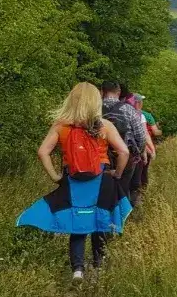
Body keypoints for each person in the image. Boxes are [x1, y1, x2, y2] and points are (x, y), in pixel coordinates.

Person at [17, 82, 132, 281]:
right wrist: (117, 174)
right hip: (102, 179)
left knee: (78, 224)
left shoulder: (61, 126)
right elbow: (124, 152)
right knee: (100, 221)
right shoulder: (104, 126)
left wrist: (55, 176)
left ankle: (77, 270)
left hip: (73, 180)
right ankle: (99, 266)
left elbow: (43, 151)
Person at [100, 81, 146, 204]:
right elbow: (141, 136)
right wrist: (137, 153)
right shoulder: (128, 109)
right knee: (122, 189)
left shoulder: (95, 109)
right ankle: (122, 212)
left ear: (102, 91)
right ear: (118, 92)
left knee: (102, 190)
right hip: (126, 157)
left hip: (101, 157)